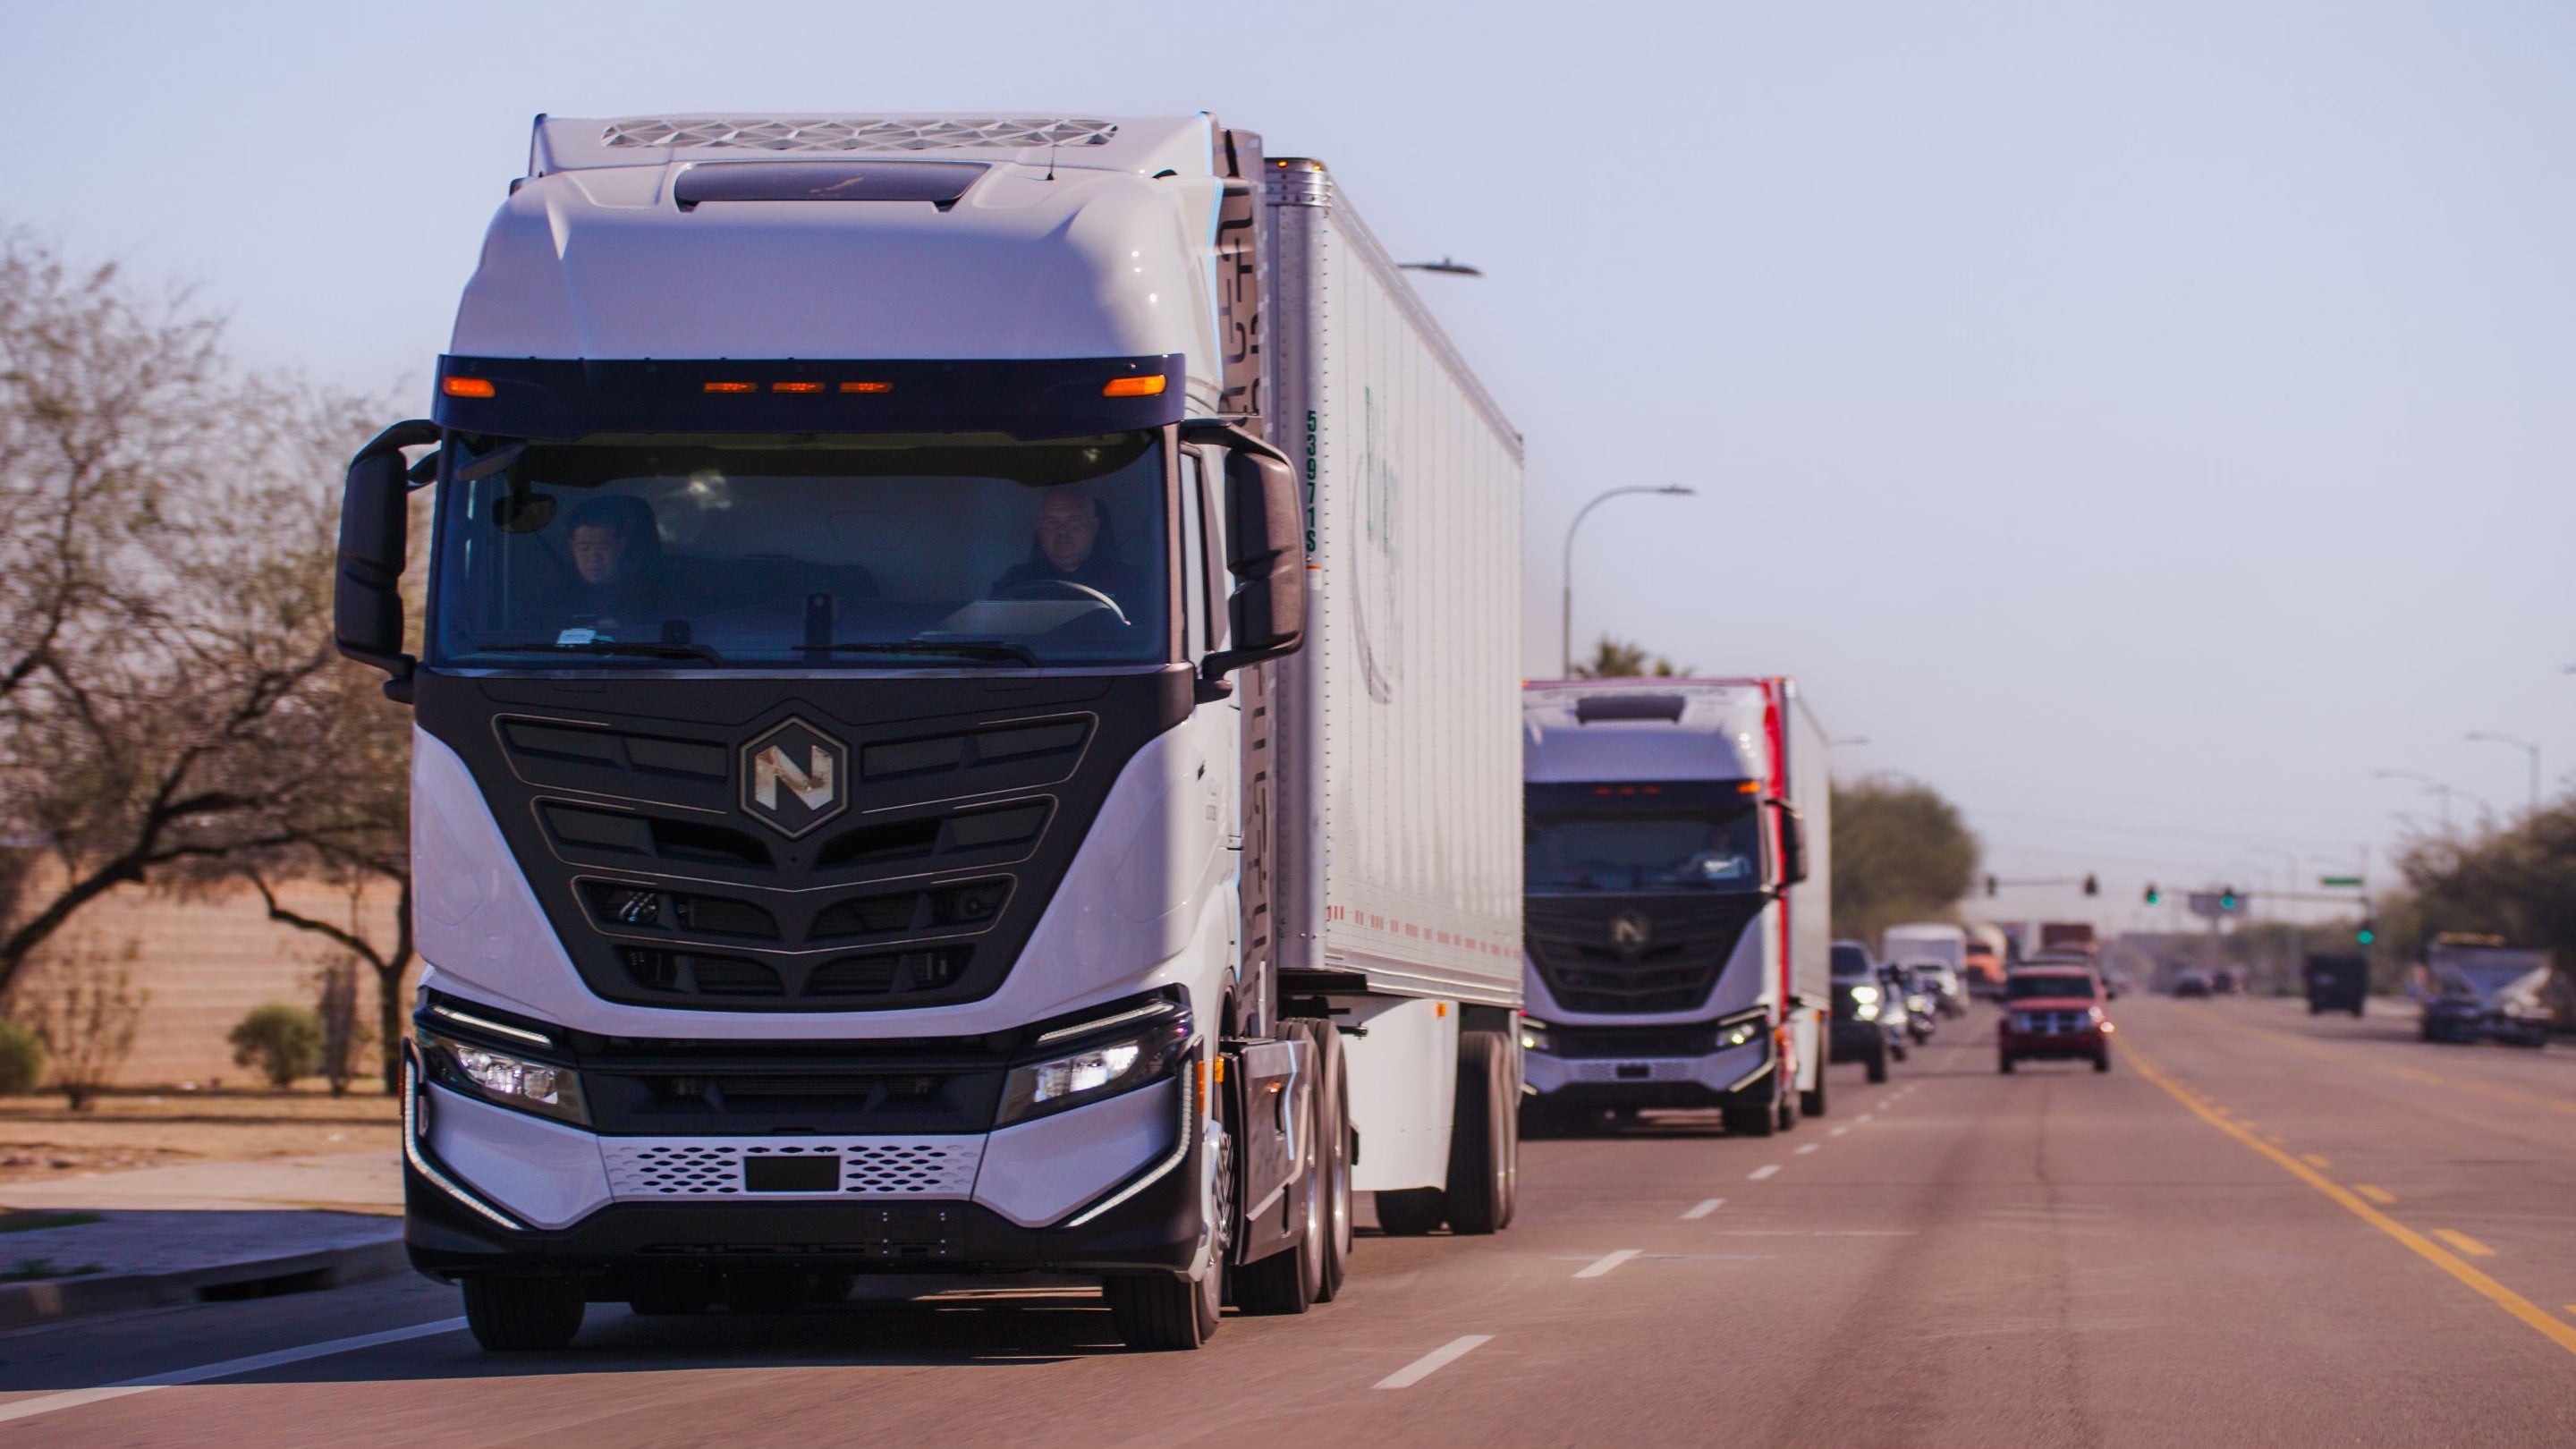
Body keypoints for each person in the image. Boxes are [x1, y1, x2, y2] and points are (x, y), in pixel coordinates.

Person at [988, 483, 1145, 611]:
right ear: (1039, 528)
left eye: (1073, 521)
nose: (1062, 531)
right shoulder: (1015, 583)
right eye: (1051, 522)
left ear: (1093, 526)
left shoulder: (1128, 583)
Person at [560, 495, 663, 633]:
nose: (593, 557)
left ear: (621, 546)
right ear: (572, 547)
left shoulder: (650, 599)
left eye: (603, 547)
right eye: (584, 548)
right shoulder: (556, 603)